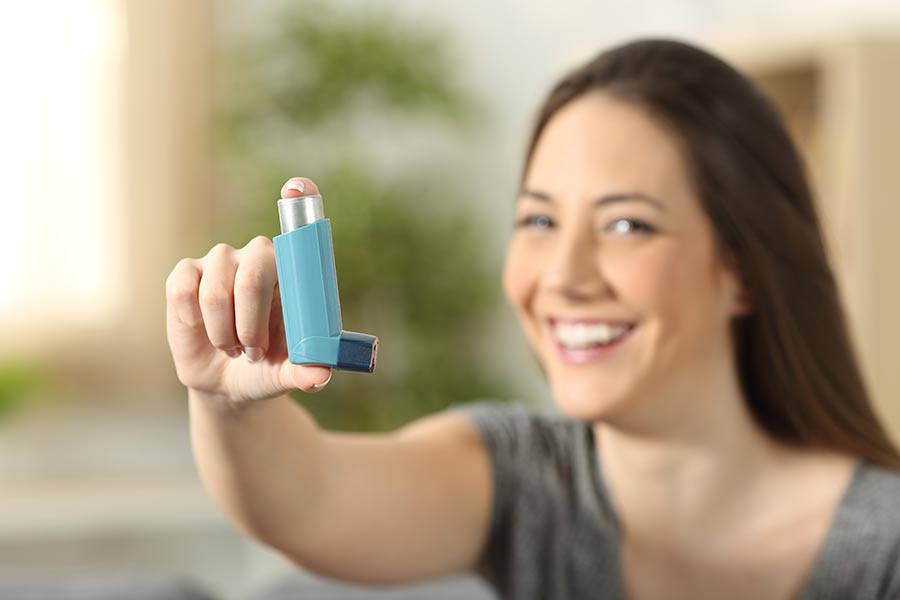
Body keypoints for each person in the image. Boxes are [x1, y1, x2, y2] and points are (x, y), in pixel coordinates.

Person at [165, 39, 900, 599]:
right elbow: (312, 500)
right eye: (539, 220)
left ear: (742, 269)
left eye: (627, 226)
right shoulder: (526, 477)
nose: (563, 277)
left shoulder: (882, 548)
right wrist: (227, 402)